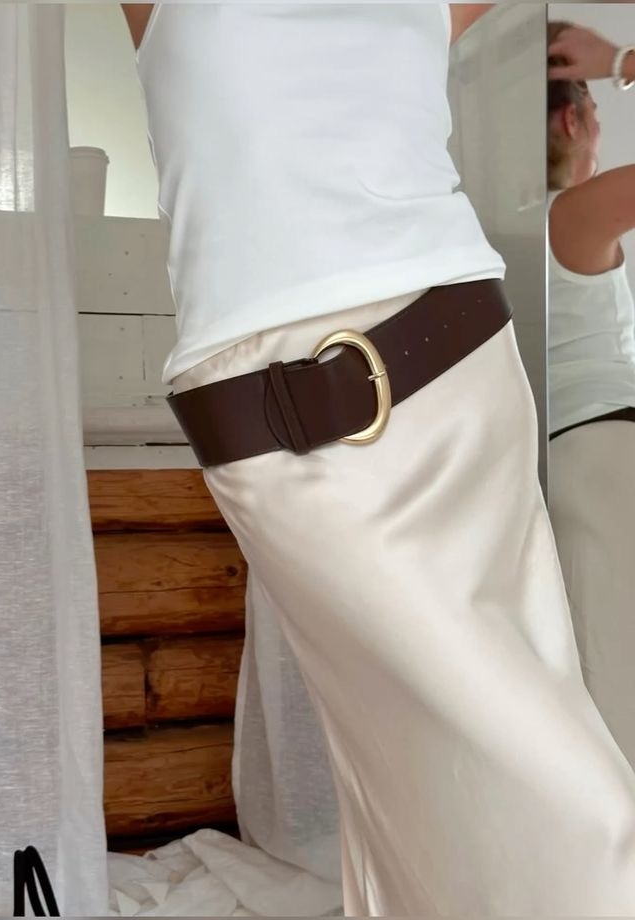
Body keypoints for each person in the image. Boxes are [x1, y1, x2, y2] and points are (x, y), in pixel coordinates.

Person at [122, 4, 635, 915]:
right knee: (559, 803)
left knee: (431, 796)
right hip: (283, 422)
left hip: (466, 379)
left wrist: (623, 54)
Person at [547, 22, 635, 769]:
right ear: (573, 121)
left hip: (558, 465)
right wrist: (625, 61)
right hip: (609, 456)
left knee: (602, 674)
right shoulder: (571, 214)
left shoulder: (485, 224)